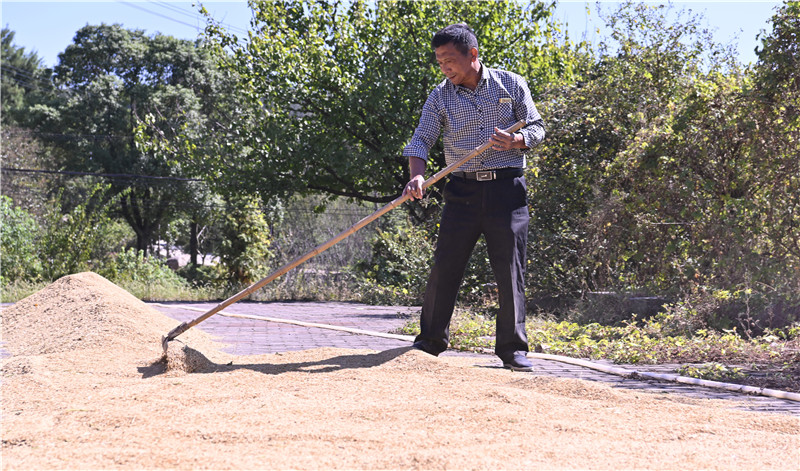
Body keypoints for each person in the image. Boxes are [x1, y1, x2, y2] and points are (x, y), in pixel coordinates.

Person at [402, 23, 545, 371]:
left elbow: (538, 128)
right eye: (439, 62)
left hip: (506, 191)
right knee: (445, 265)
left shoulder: (510, 84)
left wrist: (517, 141)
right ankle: (430, 342)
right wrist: (417, 175)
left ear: (473, 55)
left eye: (450, 59)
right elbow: (421, 140)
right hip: (462, 191)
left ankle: (513, 349)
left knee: (510, 269)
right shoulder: (440, 96)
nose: (445, 67)